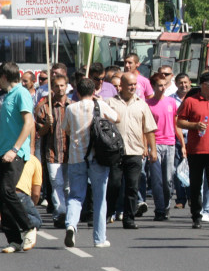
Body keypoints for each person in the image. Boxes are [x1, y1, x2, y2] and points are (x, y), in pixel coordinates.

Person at [63, 77, 119, 248]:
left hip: (76, 157)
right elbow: (116, 118)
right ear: (94, 91)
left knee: (75, 196)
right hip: (98, 158)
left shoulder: (70, 108)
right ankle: (99, 238)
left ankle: (71, 225)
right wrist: (101, 104)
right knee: (100, 199)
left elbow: (66, 129)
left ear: (77, 92)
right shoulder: (99, 105)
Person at [106, 73, 158, 230]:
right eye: (130, 84)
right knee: (114, 184)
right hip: (115, 152)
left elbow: (149, 129)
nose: (133, 87)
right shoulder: (110, 103)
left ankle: (129, 218)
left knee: (132, 187)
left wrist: (153, 149)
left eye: (135, 84)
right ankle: (108, 213)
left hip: (135, 151)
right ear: (121, 85)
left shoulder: (142, 105)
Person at [177, 72, 209, 230]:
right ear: (205, 84)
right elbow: (179, 122)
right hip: (196, 150)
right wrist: (194, 125)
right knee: (196, 184)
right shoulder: (190, 101)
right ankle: (196, 216)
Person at [0, 62, 37, 253]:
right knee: (2, 196)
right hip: (2, 150)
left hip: (14, 152)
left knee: (8, 191)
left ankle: (29, 226)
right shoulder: (7, 96)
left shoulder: (21, 93)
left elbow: (28, 123)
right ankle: (14, 240)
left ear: (4, 77)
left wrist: (15, 149)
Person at [34, 73, 72, 228]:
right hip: (52, 152)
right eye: (57, 86)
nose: (60, 88)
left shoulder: (72, 106)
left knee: (68, 186)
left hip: (70, 153)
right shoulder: (45, 107)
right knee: (57, 184)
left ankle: (70, 214)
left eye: (62, 85)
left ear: (67, 86)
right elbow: (39, 132)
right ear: (52, 88)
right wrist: (47, 125)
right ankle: (60, 213)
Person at [146, 72, 185, 221]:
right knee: (157, 180)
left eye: (164, 85)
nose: (162, 88)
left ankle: (166, 205)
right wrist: (146, 147)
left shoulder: (171, 102)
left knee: (168, 179)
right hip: (155, 144)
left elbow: (176, 124)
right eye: (159, 85)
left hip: (170, 144)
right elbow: (145, 128)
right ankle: (160, 209)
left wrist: (183, 145)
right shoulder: (148, 104)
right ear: (153, 86)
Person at [171, 73, 192, 209]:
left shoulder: (195, 98)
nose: (183, 85)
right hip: (177, 137)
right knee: (178, 169)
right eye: (180, 83)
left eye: (186, 82)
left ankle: (192, 196)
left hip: (193, 136)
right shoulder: (171, 99)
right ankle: (180, 198)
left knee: (193, 169)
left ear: (190, 83)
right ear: (176, 84)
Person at [15, 156, 44, 249]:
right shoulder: (33, 160)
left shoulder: (5, 155)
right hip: (20, 194)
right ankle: (17, 221)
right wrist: (32, 206)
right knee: (37, 221)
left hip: (5, 193)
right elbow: (36, 194)